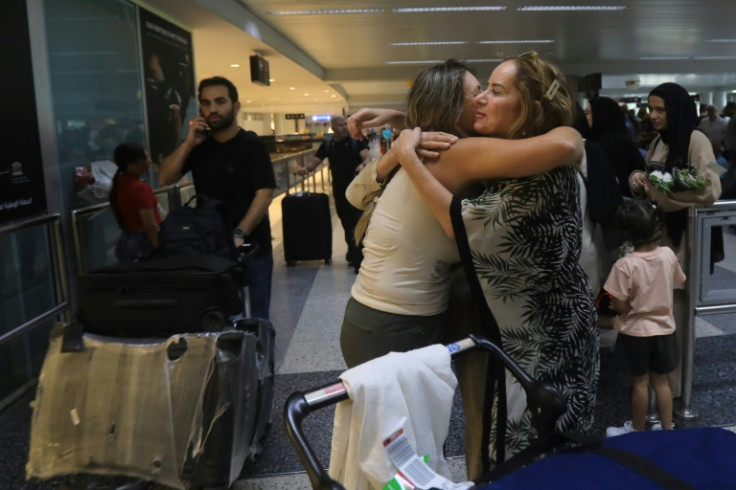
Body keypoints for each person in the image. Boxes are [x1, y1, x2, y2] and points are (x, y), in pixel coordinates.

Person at [392, 52, 598, 462]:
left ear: (531, 108)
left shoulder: (544, 176)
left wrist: (408, 157)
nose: (481, 99)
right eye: (482, 88)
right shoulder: (527, 159)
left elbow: (460, 222)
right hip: (547, 332)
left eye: (496, 91)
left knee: (536, 456)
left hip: (547, 345)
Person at [628, 82, 723, 399]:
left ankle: (676, 387)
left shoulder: (697, 140)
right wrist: (638, 180)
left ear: (677, 110)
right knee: (659, 312)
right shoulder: (658, 141)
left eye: (660, 110)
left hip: (681, 241)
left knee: (676, 315)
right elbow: (654, 176)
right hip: (658, 238)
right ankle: (661, 384)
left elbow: (711, 189)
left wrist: (661, 195)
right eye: (650, 109)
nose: (653, 116)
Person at [159, 76, 276, 320]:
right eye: (206, 103)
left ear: (235, 106)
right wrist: (189, 144)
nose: (213, 108)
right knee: (214, 316)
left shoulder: (252, 145)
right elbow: (165, 178)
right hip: (209, 248)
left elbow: (264, 193)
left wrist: (239, 233)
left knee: (256, 317)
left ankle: (260, 357)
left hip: (251, 248)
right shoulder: (198, 146)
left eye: (220, 101)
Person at [605, 200, 686, 436]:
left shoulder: (624, 265)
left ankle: (638, 430)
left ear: (626, 233)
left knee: (639, 383)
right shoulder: (668, 255)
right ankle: (667, 429)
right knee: (662, 382)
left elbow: (619, 303)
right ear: (655, 226)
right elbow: (679, 279)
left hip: (636, 333)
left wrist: (617, 306)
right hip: (664, 330)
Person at [301, 115, 370, 272]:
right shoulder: (328, 145)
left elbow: (367, 157)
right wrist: (306, 169)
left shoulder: (356, 141)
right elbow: (315, 162)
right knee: (345, 222)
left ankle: (358, 258)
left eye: (346, 124)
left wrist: (363, 165)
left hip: (356, 189)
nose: (344, 127)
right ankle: (352, 250)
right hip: (339, 190)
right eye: (340, 125)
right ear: (333, 128)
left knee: (357, 222)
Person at [109, 142, 161, 263]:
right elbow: (150, 226)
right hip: (143, 244)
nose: (148, 161)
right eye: (144, 158)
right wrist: (160, 248)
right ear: (131, 165)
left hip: (127, 241)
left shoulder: (119, 183)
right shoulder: (139, 188)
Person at [586, 96, 646, 198]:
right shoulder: (611, 138)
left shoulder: (613, 142)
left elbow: (616, 181)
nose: (585, 117)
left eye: (588, 113)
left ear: (599, 115)